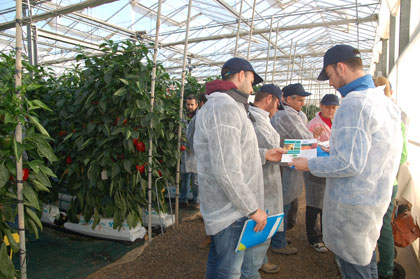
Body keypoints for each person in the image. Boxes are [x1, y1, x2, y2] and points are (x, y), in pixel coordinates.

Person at [289, 45, 403, 278]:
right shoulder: (383, 101)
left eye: (329, 75)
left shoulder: (354, 103)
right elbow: (370, 151)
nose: (330, 83)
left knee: (355, 267)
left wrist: (307, 163)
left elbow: (347, 164)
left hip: (353, 207)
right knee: (366, 259)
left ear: (340, 67)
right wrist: (331, 148)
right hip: (372, 200)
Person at [193, 57, 285, 278]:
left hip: (230, 207)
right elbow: (226, 169)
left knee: (219, 264)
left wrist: (264, 154)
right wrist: (252, 209)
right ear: (241, 75)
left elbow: (232, 153)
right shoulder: (224, 107)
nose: (252, 88)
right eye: (252, 81)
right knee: (230, 271)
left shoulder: (228, 105)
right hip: (231, 210)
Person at [270, 83, 315, 255]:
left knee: (284, 202)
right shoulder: (288, 115)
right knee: (283, 204)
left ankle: (278, 236)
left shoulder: (289, 113)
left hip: (286, 161)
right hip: (285, 164)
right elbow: (305, 137)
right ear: (288, 99)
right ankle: (278, 242)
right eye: (300, 100)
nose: (302, 103)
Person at [249, 84, 285, 274]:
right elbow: (271, 150)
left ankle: (260, 259)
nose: (277, 109)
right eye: (278, 103)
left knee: (264, 224)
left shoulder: (262, 118)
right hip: (261, 182)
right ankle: (254, 265)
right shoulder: (255, 120)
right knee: (261, 225)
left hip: (267, 180)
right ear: (270, 99)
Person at [373, 76, 407, 279]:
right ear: (391, 92)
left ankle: (384, 269)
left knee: (378, 226)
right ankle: (388, 261)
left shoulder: (372, 114)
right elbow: (403, 156)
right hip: (390, 181)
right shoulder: (397, 116)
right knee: (384, 223)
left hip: (374, 183)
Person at [304, 94, 340, 253]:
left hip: (330, 169)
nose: (331, 110)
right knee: (314, 202)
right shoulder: (313, 124)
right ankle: (314, 238)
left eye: (333, 107)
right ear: (321, 106)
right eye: (327, 107)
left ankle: (326, 235)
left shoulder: (338, 122)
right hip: (315, 169)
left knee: (327, 203)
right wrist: (314, 137)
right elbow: (305, 147)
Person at [180, 94, 199, 209]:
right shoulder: (183, 116)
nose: (190, 106)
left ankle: (196, 200)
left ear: (196, 104)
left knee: (196, 180)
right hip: (184, 150)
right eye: (188, 104)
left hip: (196, 151)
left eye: (192, 104)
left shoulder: (199, 117)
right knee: (184, 178)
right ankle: (183, 199)